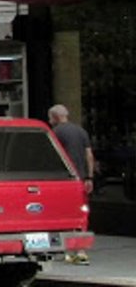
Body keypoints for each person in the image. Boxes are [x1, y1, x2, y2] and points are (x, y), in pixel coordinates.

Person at [48, 104, 94, 266]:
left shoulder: (55, 133)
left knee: (61, 214)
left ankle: (66, 250)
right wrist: (89, 177)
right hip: (80, 179)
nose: (49, 121)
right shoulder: (81, 132)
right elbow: (89, 155)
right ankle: (81, 251)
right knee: (80, 214)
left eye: (50, 118)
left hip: (62, 180)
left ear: (55, 117)